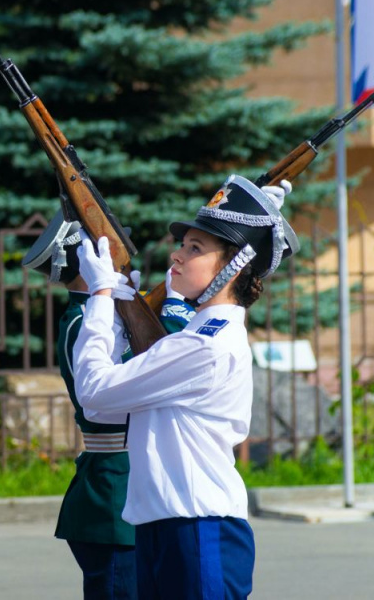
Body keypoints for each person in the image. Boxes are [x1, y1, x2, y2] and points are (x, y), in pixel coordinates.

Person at [69, 175, 296, 599]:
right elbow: (104, 411)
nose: (178, 255)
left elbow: (94, 391)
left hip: (198, 530)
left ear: (235, 266)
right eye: (183, 244)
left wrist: (99, 297)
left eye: (196, 249)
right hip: (165, 526)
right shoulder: (193, 335)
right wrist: (119, 326)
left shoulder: (205, 345)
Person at [22, 210, 196, 600]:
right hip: (113, 494)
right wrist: (168, 316)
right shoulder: (81, 320)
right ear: (88, 258)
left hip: (135, 487)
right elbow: (132, 384)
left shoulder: (111, 312)